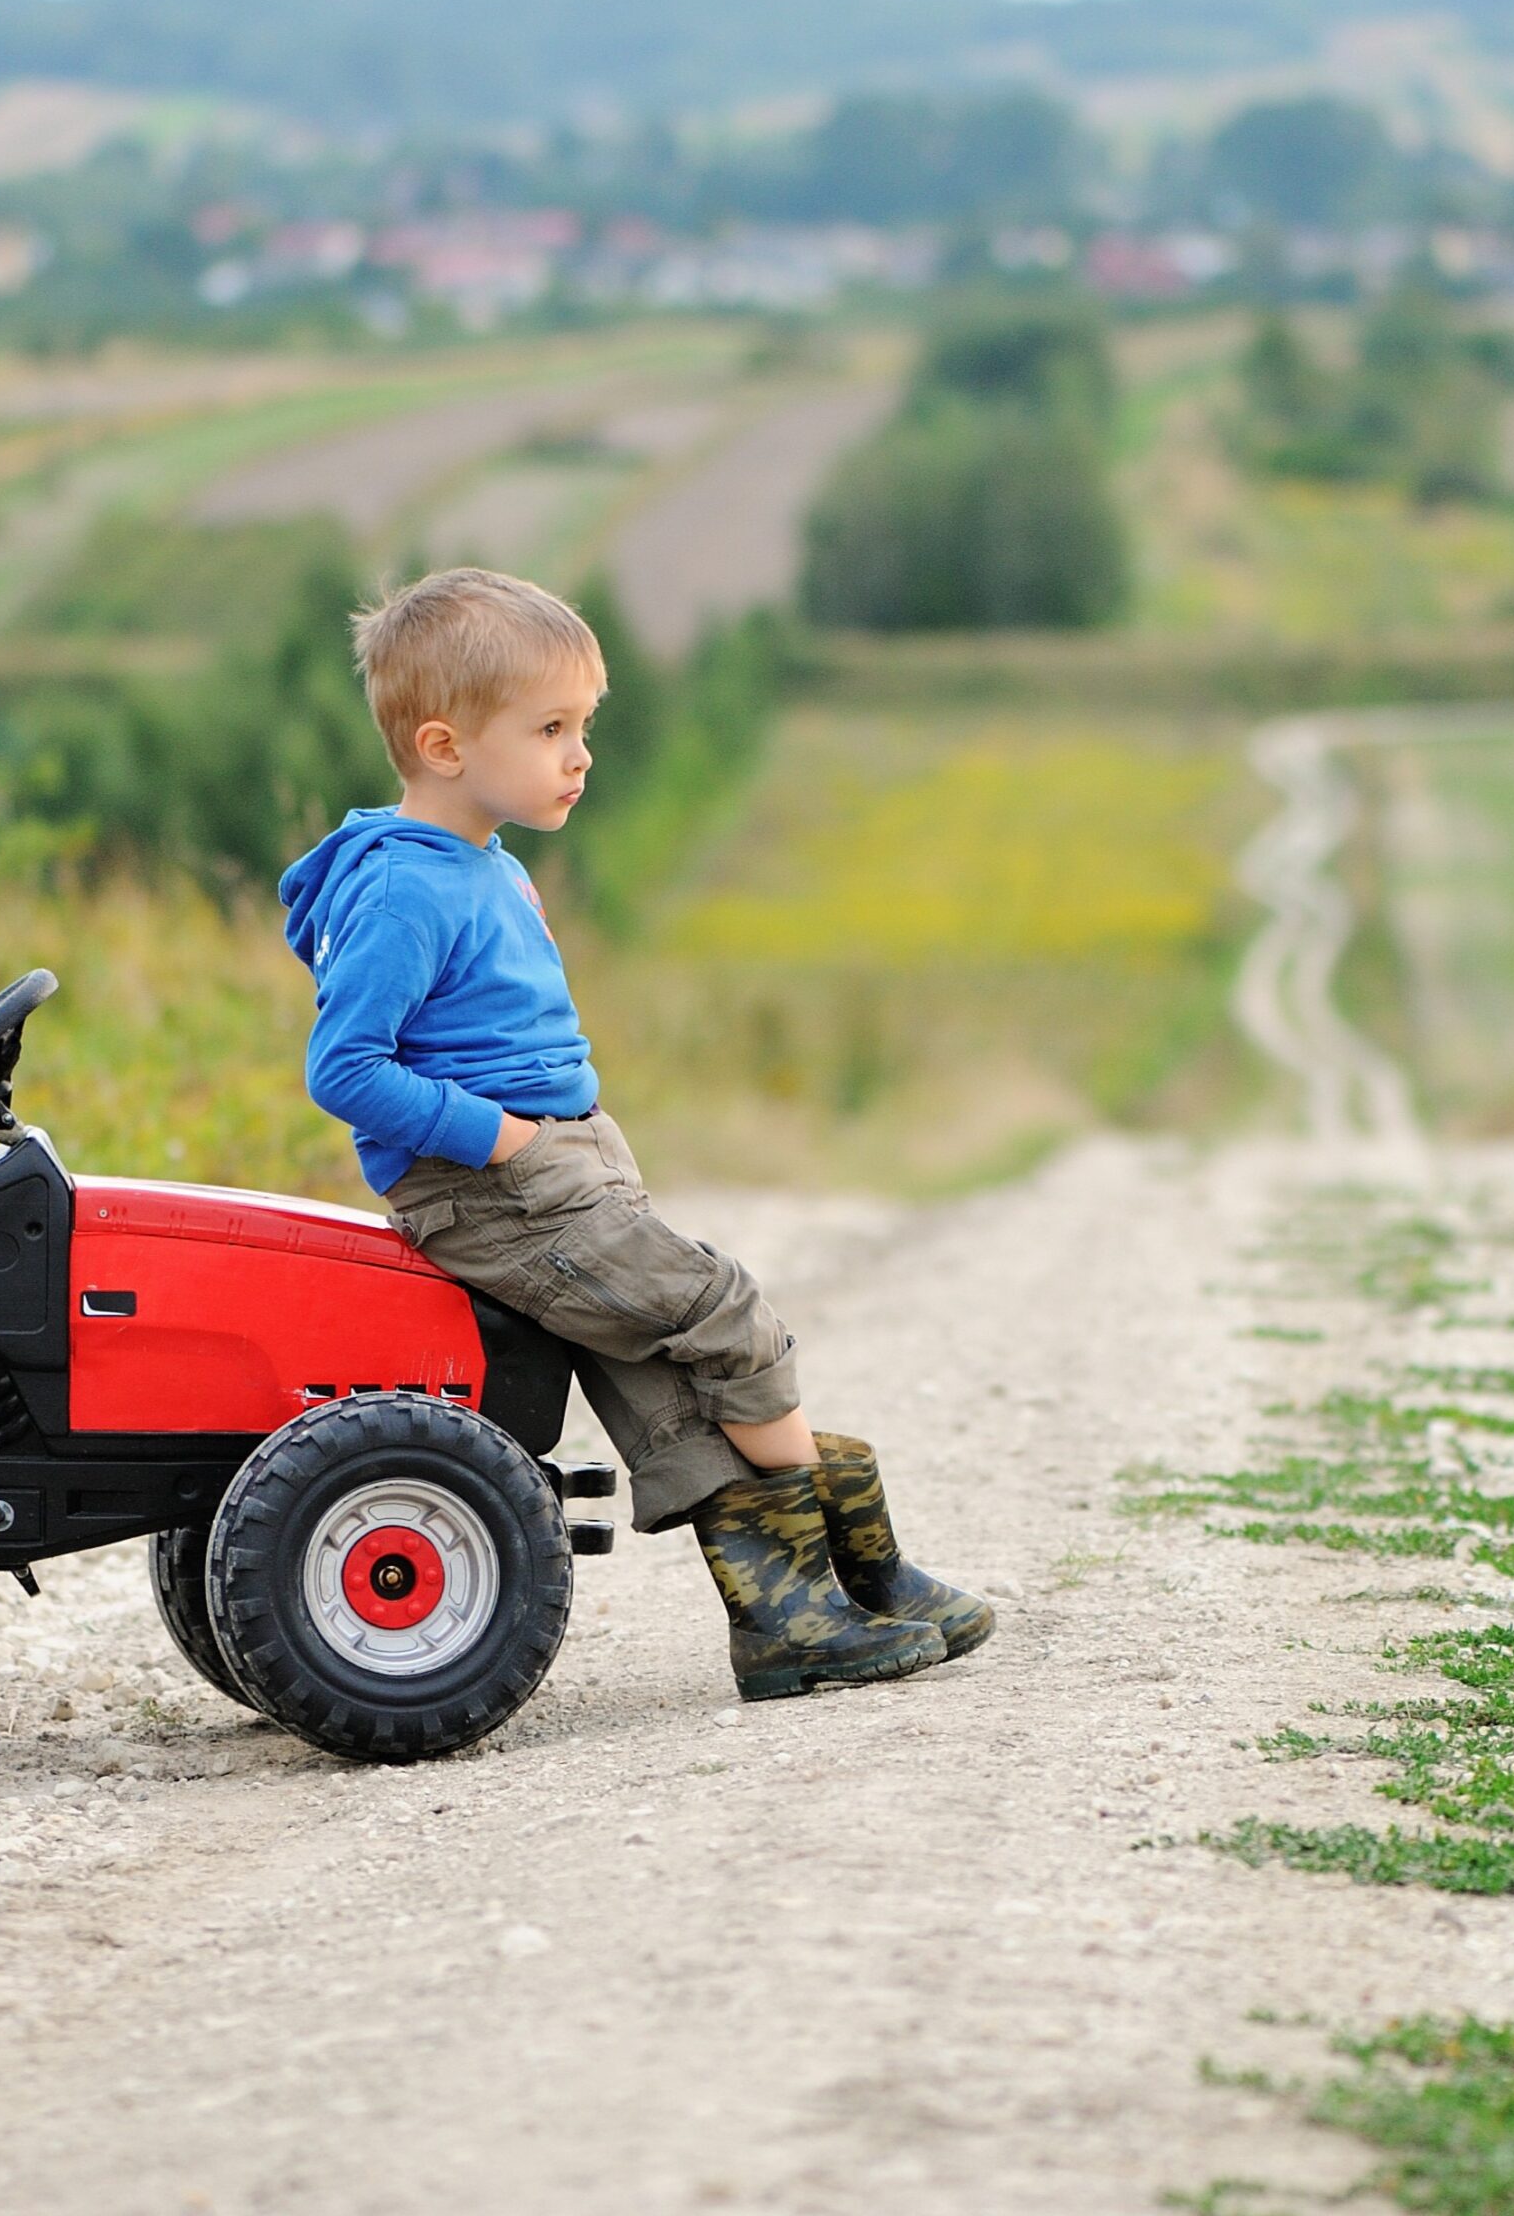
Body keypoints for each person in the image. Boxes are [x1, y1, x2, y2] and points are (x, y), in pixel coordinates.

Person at [278, 565, 992, 1701]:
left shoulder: (483, 864)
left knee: (659, 1388)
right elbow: (347, 1068)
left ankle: (790, 1618)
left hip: (557, 1168)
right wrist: (506, 1140)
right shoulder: (410, 889)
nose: (580, 754)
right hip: (497, 1186)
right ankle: (861, 1560)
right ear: (445, 745)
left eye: (584, 726)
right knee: (723, 1311)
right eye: (550, 728)